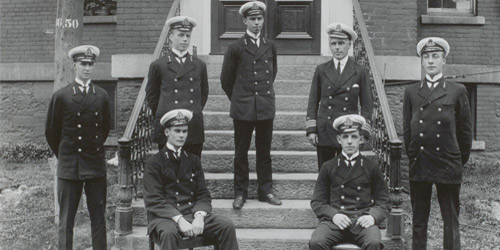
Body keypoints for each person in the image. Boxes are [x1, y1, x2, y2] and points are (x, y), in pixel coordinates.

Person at [403, 37, 472, 250]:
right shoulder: (412, 92)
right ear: (421, 61)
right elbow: (407, 130)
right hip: (421, 163)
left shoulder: (457, 90)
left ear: (444, 60)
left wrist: (458, 161)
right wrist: (414, 155)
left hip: (448, 163)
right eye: (426, 57)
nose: (430, 61)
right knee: (419, 220)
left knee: (450, 220)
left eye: (435, 56)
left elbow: (465, 132)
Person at [143, 109, 239, 250]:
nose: (182, 135)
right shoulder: (154, 163)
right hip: (165, 218)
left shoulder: (193, 160)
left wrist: (199, 216)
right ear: (166, 132)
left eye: (185, 131)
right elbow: (154, 199)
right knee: (169, 234)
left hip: (191, 213)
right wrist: (179, 219)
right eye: (177, 131)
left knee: (226, 226)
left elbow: (203, 194)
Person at [45, 45, 111, 250]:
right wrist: (66, 154)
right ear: (74, 65)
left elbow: (105, 129)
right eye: (83, 64)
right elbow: (51, 133)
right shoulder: (62, 96)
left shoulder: (101, 96)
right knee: (66, 221)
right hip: (69, 167)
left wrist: (91, 150)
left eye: (90, 64)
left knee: (98, 219)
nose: (87, 68)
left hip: (95, 166)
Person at [220, 1, 281, 209]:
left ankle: (266, 191)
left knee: (264, 152)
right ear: (245, 20)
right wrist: (239, 98)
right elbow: (226, 79)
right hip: (243, 108)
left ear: (263, 20)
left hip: (264, 107)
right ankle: (240, 193)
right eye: (252, 19)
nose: (256, 23)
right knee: (241, 152)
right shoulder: (236, 47)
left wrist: (259, 97)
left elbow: (273, 73)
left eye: (259, 19)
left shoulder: (270, 46)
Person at [309, 114, 389, 250]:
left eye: (354, 137)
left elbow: (384, 201)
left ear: (361, 139)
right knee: (316, 242)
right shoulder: (328, 166)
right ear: (339, 139)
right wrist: (333, 215)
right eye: (345, 137)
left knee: (374, 243)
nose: (350, 141)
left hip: (362, 220)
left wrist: (372, 217)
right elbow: (317, 202)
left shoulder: (371, 167)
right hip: (335, 221)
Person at [306, 23, 373, 170]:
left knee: (348, 174)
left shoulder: (360, 71)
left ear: (349, 44)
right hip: (325, 131)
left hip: (349, 131)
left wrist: (364, 131)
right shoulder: (321, 70)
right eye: (333, 43)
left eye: (341, 43)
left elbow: (367, 104)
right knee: (325, 174)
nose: (337, 47)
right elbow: (313, 101)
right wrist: (312, 129)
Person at [146, 16, 209, 157]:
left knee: (193, 167)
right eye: (180, 35)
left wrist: (192, 111)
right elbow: (152, 96)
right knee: (169, 170)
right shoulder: (159, 65)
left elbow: (203, 94)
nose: (185, 39)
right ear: (171, 37)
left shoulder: (199, 65)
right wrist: (167, 114)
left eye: (188, 35)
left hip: (192, 123)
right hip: (170, 123)